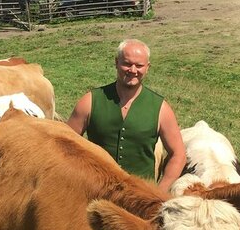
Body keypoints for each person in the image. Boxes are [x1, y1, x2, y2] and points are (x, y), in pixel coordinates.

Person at [67, 39, 185, 192]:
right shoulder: (90, 101)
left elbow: (179, 154)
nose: (133, 70)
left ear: (147, 68)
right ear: (116, 62)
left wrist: (160, 191)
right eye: (127, 64)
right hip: (95, 192)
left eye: (139, 65)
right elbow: (65, 143)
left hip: (141, 198)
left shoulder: (161, 108)